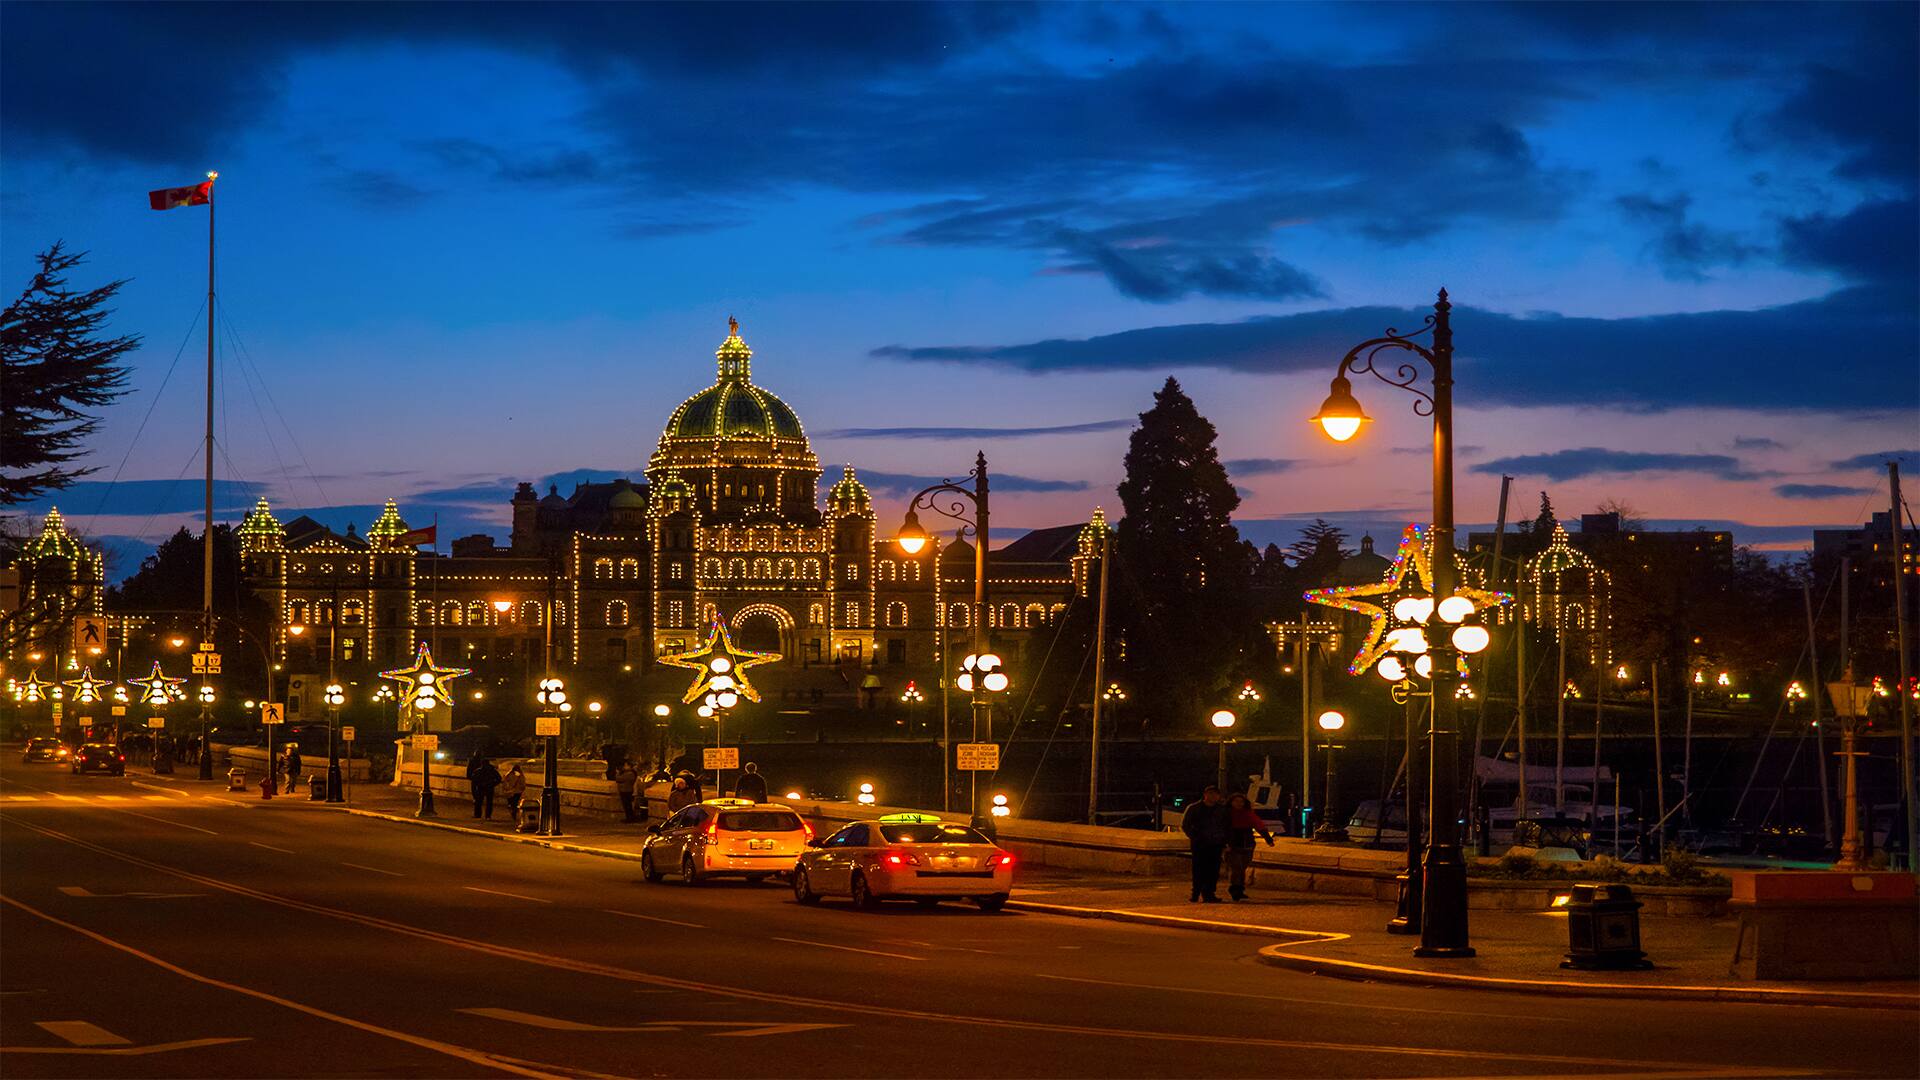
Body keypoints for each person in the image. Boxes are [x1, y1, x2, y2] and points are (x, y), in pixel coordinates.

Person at [1180, 785, 1231, 903]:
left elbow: (1227, 826)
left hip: (1216, 844)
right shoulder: (1194, 808)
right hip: (1200, 844)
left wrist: (1225, 841)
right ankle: (1196, 893)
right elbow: (1186, 825)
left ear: (1218, 796)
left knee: (1213, 870)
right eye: (1210, 793)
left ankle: (1209, 893)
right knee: (1198, 869)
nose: (1212, 796)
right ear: (1205, 795)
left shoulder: (1222, 810)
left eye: (1215, 794)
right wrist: (1195, 837)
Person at [1224, 792, 1276, 901]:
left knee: (1242, 867)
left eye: (1241, 801)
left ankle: (1240, 888)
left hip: (1247, 844)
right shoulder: (1226, 814)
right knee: (1236, 868)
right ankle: (1235, 889)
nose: (1239, 804)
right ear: (1231, 802)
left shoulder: (1248, 814)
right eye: (1236, 801)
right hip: (1232, 845)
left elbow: (1259, 825)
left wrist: (1268, 839)